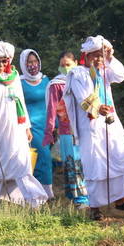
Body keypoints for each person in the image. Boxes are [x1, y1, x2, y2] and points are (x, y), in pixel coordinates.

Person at [63, 35, 124, 221]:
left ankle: (121, 200)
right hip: (90, 125)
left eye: (100, 55)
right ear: (86, 56)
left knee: (121, 155)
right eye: (94, 55)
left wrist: (110, 57)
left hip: (110, 122)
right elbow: (82, 100)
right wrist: (97, 108)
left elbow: (122, 76)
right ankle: (95, 206)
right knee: (95, 165)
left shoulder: (105, 71)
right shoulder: (78, 74)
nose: (98, 59)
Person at [0, 41, 48, 206]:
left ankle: (34, 201)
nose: (0, 64)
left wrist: (27, 127)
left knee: (21, 164)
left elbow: (21, 103)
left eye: (4, 61)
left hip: (16, 130)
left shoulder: (14, 79)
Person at [43, 51, 88, 208]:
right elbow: (52, 110)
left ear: (76, 63)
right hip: (67, 130)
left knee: (85, 162)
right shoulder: (57, 84)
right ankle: (79, 198)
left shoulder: (84, 79)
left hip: (85, 128)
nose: (65, 68)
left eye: (68, 65)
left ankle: (84, 195)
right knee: (73, 163)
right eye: (62, 66)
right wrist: (49, 131)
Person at [19, 49, 54, 199]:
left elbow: (53, 103)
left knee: (47, 158)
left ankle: (44, 190)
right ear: (23, 63)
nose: (33, 65)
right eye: (29, 62)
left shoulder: (46, 80)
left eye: (35, 61)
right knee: (41, 156)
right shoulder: (19, 82)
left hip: (46, 124)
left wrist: (56, 124)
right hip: (31, 126)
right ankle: (44, 192)